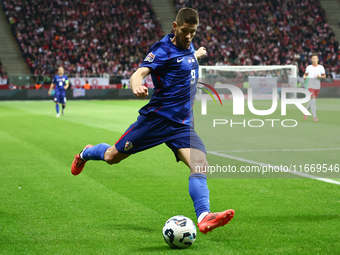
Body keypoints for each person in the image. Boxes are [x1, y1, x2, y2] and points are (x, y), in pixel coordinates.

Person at [71, 8, 234, 234]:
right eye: (185, 31)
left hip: (182, 125)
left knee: (200, 165)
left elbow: (183, 62)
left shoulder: (189, 49)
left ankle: (204, 216)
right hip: (156, 121)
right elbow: (139, 73)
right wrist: (137, 84)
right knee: (111, 157)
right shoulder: (161, 49)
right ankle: (86, 153)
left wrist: (196, 55)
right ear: (175, 27)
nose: (188, 37)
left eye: (193, 33)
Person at [303, 53, 326, 122]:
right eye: (313, 58)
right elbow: (305, 75)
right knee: (313, 100)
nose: (315, 60)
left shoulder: (321, 67)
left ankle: (305, 111)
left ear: (318, 59)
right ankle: (314, 116)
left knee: (313, 101)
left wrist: (320, 77)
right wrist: (304, 77)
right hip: (310, 85)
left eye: (316, 58)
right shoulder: (309, 67)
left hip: (317, 86)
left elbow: (324, 76)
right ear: (311, 59)